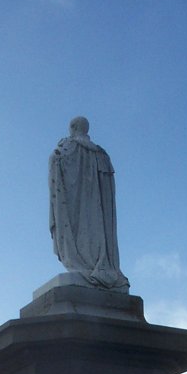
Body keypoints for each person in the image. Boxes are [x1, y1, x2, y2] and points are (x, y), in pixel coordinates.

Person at [49, 117, 129, 291]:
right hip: (99, 212)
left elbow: (56, 160)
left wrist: (57, 156)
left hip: (75, 207)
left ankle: (84, 265)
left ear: (73, 127)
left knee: (78, 232)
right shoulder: (101, 154)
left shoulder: (68, 148)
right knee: (94, 231)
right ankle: (98, 264)